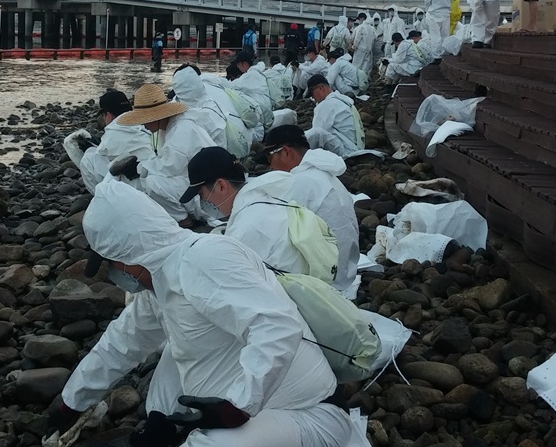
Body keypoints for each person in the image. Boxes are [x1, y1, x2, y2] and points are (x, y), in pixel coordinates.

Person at [51, 179, 351, 447]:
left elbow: (277, 325)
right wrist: (72, 402)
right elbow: (120, 344)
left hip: (309, 414)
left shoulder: (205, 258)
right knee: (174, 355)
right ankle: (163, 430)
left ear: (129, 255)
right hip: (261, 408)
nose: (114, 273)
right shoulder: (160, 281)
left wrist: (236, 407)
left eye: (112, 264)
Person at [180, 147, 339, 283]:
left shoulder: (245, 229)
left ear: (221, 186)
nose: (204, 203)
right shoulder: (264, 195)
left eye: (202, 195)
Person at [263, 125, 360, 294]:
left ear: (286, 152)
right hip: (345, 269)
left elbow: (278, 232)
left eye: (268, 158)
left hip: (325, 283)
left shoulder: (300, 182)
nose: (270, 166)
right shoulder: (322, 173)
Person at [114, 83, 217, 224]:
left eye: (145, 120)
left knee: (153, 183)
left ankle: (185, 220)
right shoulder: (172, 125)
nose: (143, 126)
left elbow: (169, 168)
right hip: (202, 181)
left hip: (209, 191)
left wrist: (139, 168)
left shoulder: (180, 130)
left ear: (156, 117)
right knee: (150, 177)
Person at [65, 90, 155, 194]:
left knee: (88, 158)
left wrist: (88, 148)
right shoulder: (143, 123)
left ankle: (103, 196)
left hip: (134, 188)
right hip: (152, 180)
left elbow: (101, 154)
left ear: (108, 114)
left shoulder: (115, 129)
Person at [304, 74, 365, 157]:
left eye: (312, 94)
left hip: (345, 150)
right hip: (354, 147)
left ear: (320, 88)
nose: (313, 98)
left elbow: (317, 134)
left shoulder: (327, 104)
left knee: (315, 133)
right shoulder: (342, 100)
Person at [348, 11, 376, 80]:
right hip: (368, 50)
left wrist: (354, 47)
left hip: (360, 50)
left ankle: (355, 80)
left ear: (362, 18)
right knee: (366, 66)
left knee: (356, 65)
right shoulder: (371, 28)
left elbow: (356, 38)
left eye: (359, 19)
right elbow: (375, 37)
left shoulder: (360, 27)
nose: (358, 20)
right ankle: (364, 80)